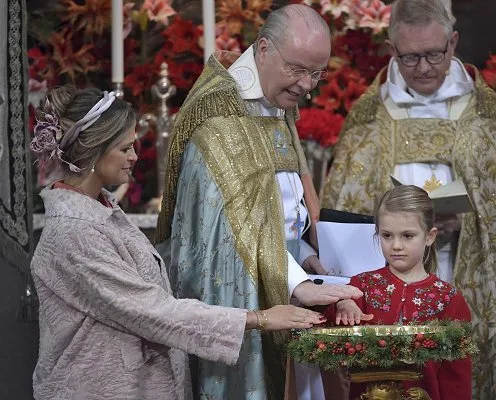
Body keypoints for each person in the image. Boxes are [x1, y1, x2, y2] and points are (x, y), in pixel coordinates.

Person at [321, 0, 496, 397]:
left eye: (434, 53)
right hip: (393, 274)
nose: (424, 67)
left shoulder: (488, 114)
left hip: (467, 271)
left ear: (453, 43)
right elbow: (346, 208)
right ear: (391, 50)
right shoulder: (368, 119)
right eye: (410, 57)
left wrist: (470, 218)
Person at [29, 85, 328, 400]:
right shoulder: (75, 231)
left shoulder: (101, 209)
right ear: (94, 150)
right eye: (124, 148)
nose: (133, 157)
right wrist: (259, 318)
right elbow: (150, 311)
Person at [154, 4, 361, 399]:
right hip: (244, 301)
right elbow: (235, 234)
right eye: (298, 69)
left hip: (289, 286)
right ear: (264, 49)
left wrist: (305, 255)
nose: (307, 86)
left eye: (317, 73)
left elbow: (279, 211)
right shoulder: (221, 119)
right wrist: (297, 282)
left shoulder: (275, 104)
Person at [325, 185, 472, 399]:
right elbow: (327, 342)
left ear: (430, 236)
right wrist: (340, 305)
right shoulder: (360, 287)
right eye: (386, 235)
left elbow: (457, 378)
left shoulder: (448, 299)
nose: (396, 245)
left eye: (407, 236)